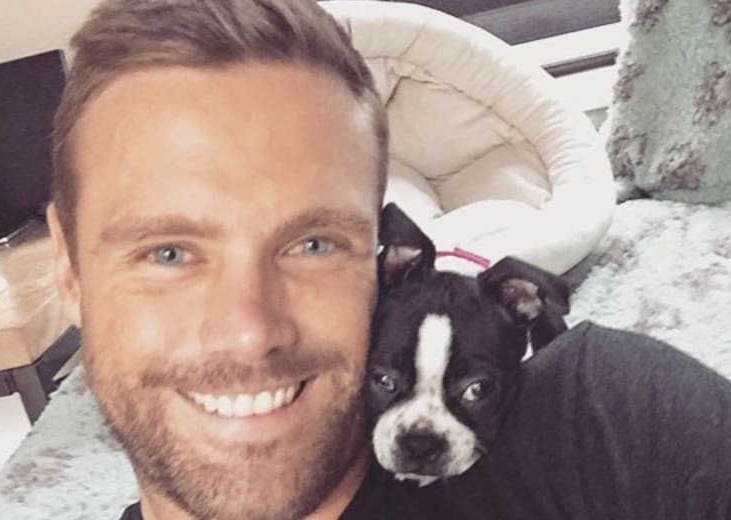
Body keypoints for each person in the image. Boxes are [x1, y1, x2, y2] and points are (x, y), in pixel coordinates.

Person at [47, 1, 731, 519]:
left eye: (314, 244)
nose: (251, 331)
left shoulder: (608, 420)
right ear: (68, 272)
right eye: (168, 252)